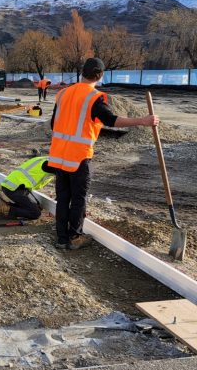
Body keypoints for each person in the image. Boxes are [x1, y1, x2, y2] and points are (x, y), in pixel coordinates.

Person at [48, 57, 159, 250]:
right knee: (78, 198)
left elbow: (53, 124)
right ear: (100, 75)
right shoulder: (93, 97)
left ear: (83, 72)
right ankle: (75, 236)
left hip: (58, 155)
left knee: (63, 197)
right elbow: (111, 120)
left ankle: (61, 238)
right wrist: (142, 120)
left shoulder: (63, 94)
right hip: (79, 157)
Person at [0, 156, 56, 220]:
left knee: (36, 207)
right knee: (35, 213)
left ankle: (6, 205)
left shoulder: (44, 159)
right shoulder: (50, 164)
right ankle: (5, 209)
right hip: (15, 188)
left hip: (12, 185)